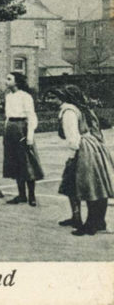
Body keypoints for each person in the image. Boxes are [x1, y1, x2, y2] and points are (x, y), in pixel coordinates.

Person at [52, 85, 114, 235]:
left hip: (84, 149)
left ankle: (92, 224)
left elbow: (73, 139)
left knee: (89, 186)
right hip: (94, 146)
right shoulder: (82, 109)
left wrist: (72, 157)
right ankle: (96, 221)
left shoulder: (68, 111)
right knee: (96, 185)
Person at [2, 72, 44, 206]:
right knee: (15, 162)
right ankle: (21, 195)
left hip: (22, 128)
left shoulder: (26, 96)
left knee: (27, 162)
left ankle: (31, 195)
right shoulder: (8, 96)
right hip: (11, 129)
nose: (6, 81)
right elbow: (8, 116)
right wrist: (5, 132)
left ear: (17, 82)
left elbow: (31, 116)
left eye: (9, 79)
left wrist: (30, 136)